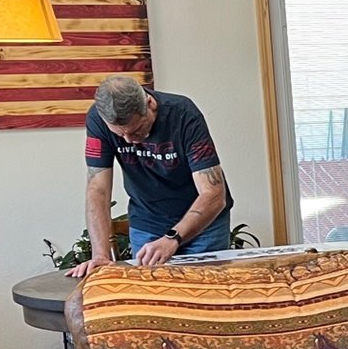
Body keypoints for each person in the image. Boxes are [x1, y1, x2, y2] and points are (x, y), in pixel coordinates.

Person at [72, 76, 234, 276]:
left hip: (203, 226)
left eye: (137, 129)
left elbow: (214, 194)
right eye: (120, 135)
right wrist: (100, 256)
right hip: (147, 223)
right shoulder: (97, 120)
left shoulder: (183, 114)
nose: (130, 141)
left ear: (150, 103)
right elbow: (98, 189)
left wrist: (172, 238)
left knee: (207, 296)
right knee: (152, 298)